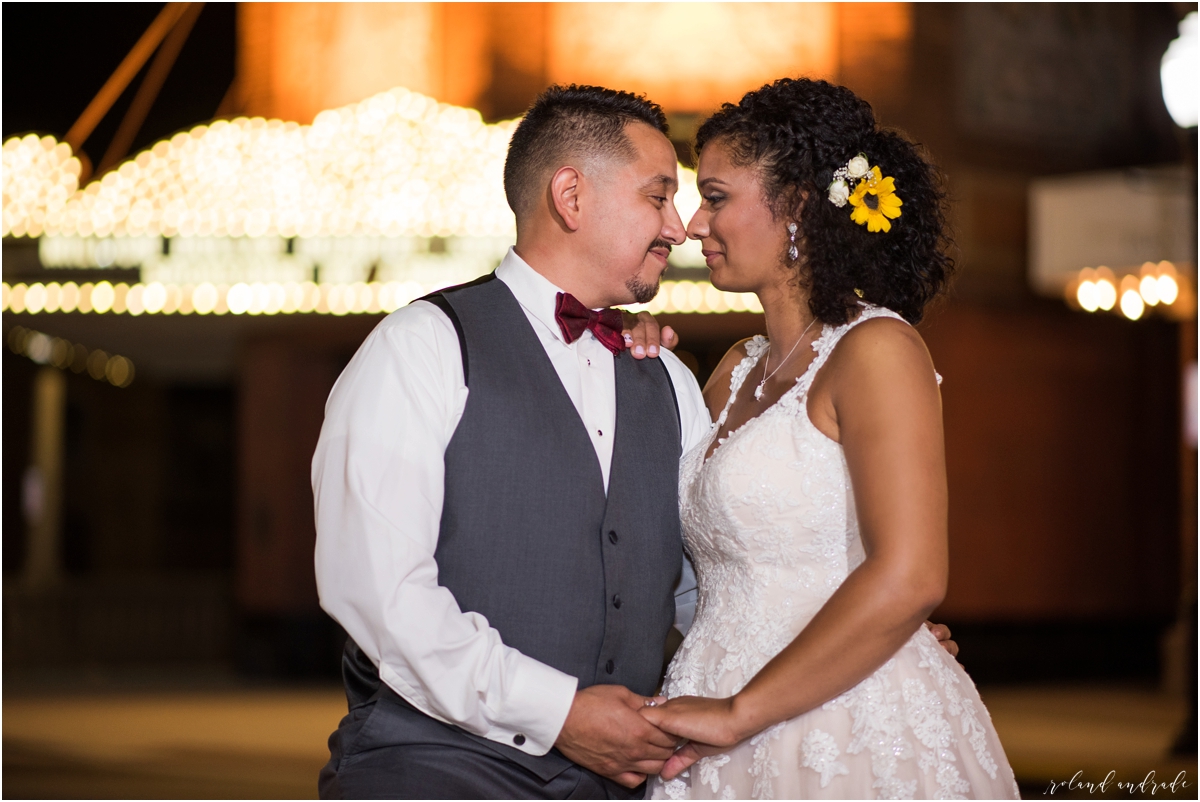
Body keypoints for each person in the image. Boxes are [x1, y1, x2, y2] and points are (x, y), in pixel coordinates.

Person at [313, 82, 960, 800]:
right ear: (571, 196)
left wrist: (869, 639)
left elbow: (712, 577)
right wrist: (557, 713)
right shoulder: (422, 348)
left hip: (631, 778)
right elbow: (377, 593)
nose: (681, 227)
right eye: (659, 196)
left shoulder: (671, 381)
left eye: (703, 197)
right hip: (439, 770)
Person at [640, 78, 1020, 799]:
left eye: (715, 197)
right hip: (709, 712)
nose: (692, 225)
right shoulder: (733, 370)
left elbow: (910, 575)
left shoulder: (877, 349)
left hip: (843, 716)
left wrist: (738, 712)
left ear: (799, 207)